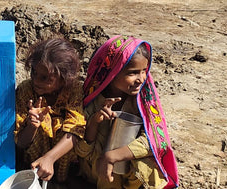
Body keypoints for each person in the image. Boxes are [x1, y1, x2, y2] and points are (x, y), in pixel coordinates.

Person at [76, 36, 179, 189]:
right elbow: (82, 152)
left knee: (147, 166)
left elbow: (156, 142)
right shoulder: (93, 101)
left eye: (144, 71)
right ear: (111, 73)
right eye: (133, 73)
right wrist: (94, 122)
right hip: (97, 173)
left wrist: (113, 156)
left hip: (128, 172)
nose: (141, 79)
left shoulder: (143, 103)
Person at [15, 37, 87, 184]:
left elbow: (76, 129)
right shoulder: (26, 90)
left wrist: (50, 158)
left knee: (64, 127)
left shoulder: (74, 90)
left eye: (45, 78)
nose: (36, 80)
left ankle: (65, 180)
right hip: (33, 167)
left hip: (65, 165)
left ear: (64, 78)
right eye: (34, 73)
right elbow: (20, 143)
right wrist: (32, 126)